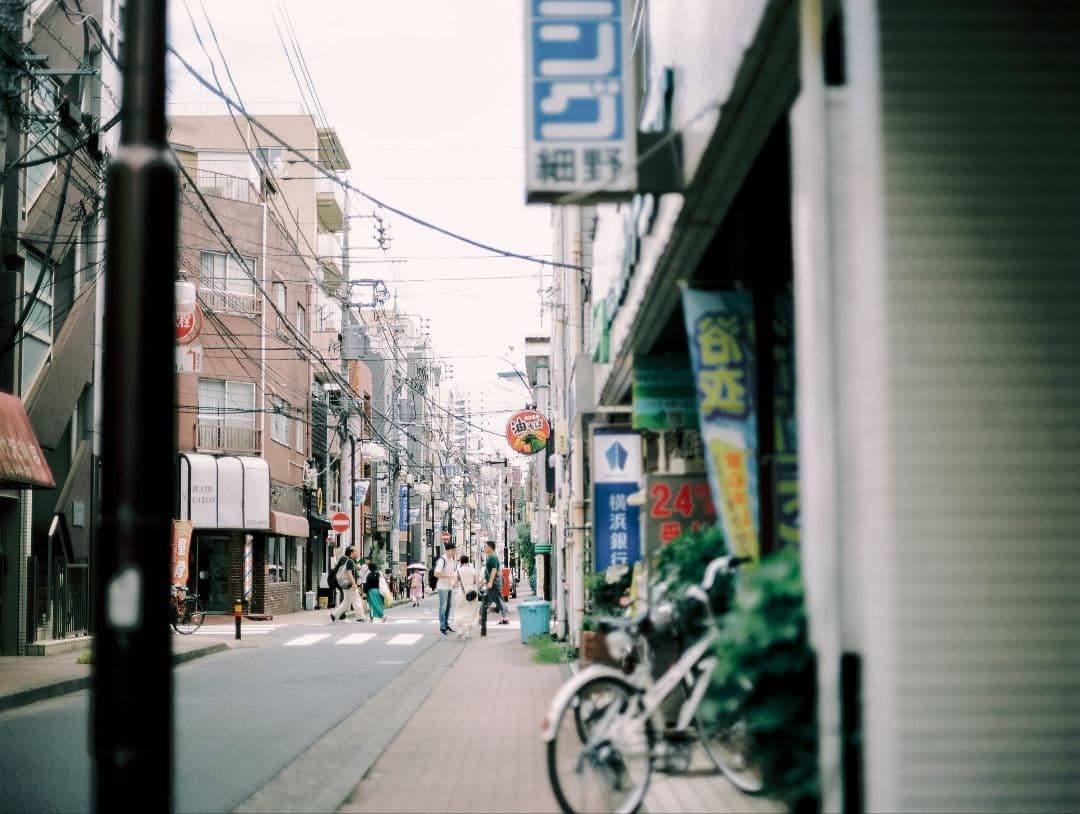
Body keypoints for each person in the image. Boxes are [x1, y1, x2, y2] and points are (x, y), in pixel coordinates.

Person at [452, 553, 480, 639]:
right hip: (471, 593)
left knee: (459, 611)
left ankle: (460, 630)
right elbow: (478, 581)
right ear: (468, 561)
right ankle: (467, 633)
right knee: (471, 613)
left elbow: (454, 583)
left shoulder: (457, 571)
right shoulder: (472, 570)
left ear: (460, 561)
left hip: (461, 593)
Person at [329, 546, 360, 623]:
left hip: (342, 582)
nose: (357, 553)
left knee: (346, 600)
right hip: (342, 582)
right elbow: (346, 572)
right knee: (346, 599)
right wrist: (353, 583)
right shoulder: (345, 559)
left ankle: (336, 615)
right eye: (356, 551)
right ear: (351, 552)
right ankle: (342, 617)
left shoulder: (346, 559)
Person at [482, 541, 510, 625]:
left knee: (488, 599)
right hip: (495, 582)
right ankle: (505, 618)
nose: (484, 548)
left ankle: (480, 618)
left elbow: (494, 570)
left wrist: (490, 582)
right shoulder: (491, 557)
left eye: (486, 547)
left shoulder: (492, 557)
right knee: (498, 600)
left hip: (494, 583)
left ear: (490, 548)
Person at [433, 541, 457, 635]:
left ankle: (446, 624)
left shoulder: (451, 559)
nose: (454, 552)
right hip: (442, 587)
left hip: (449, 586)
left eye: (454, 550)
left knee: (448, 606)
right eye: (453, 550)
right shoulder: (442, 560)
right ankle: (442, 626)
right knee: (442, 607)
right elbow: (436, 573)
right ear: (447, 550)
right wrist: (448, 577)